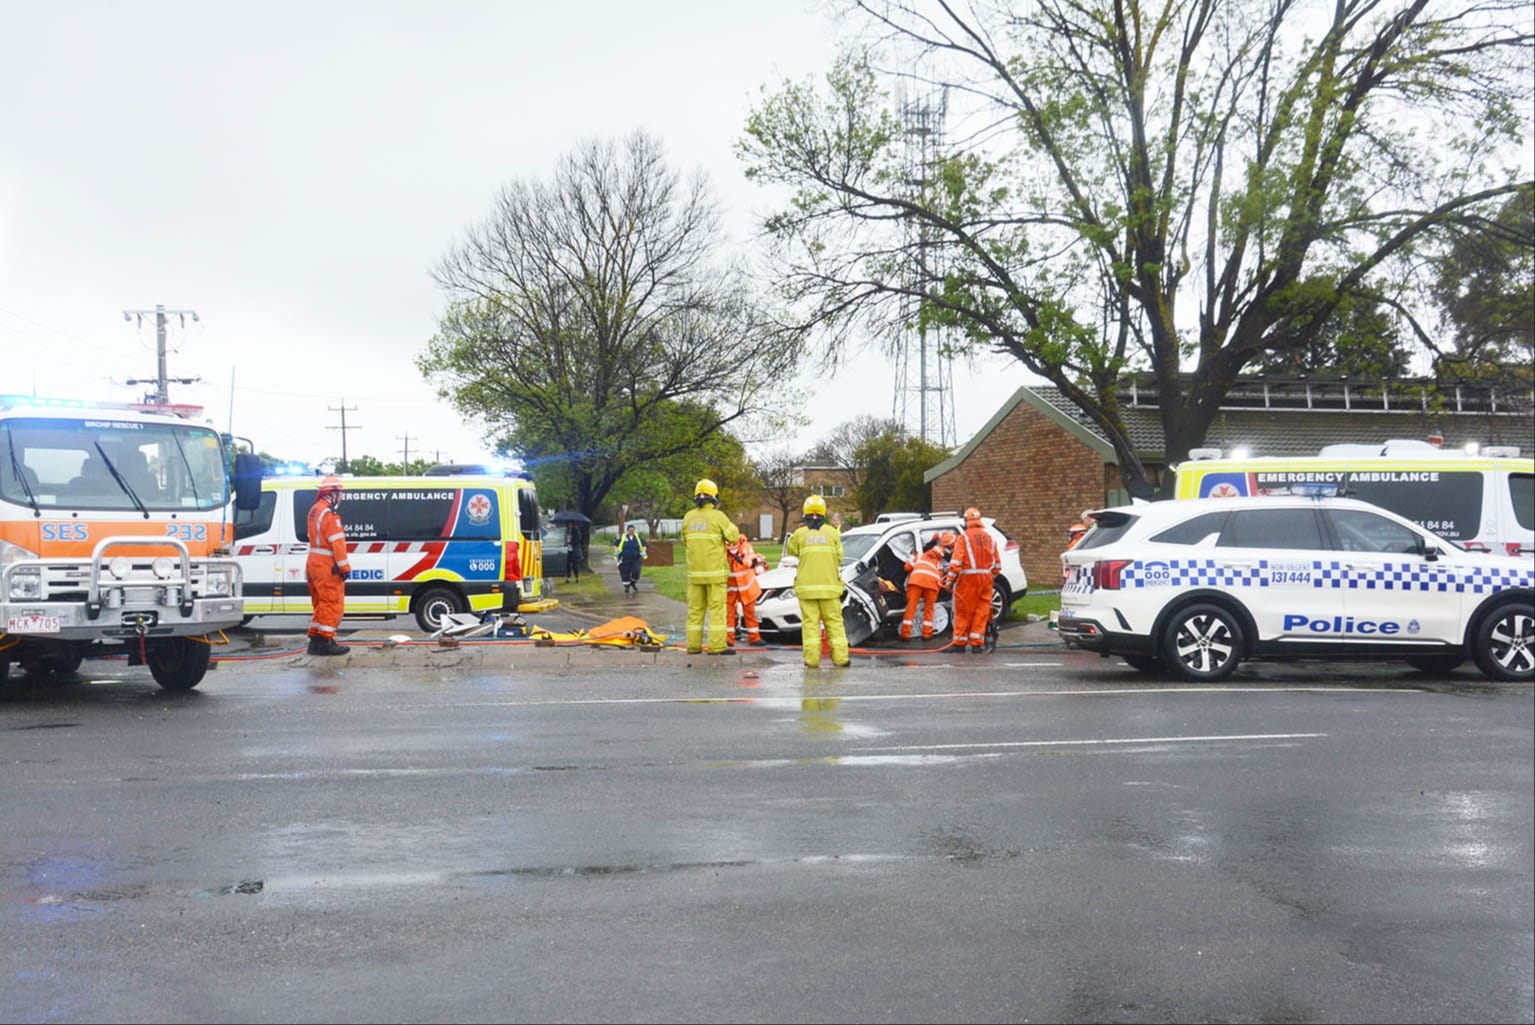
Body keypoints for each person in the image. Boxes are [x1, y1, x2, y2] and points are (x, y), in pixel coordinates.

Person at [785, 494, 849, 668]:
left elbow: (791, 550)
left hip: (807, 590)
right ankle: (841, 659)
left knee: (810, 626)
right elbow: (839, 557)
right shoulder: (832, 533)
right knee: (834, 624)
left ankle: (812, 661)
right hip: (830, 588)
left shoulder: (800, 534)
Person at [681, 478, 739, 654]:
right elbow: (734, 537)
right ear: (714, 498)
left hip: (695, 574)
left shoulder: (688, 517)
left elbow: (684, 541)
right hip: (715, 574)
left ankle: (693, 646)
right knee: (717, 610)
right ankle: (716, 646)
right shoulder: (718, 517)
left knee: (695, 611)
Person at [305, 475, 352, 656]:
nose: (341, 497)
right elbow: (337, 543)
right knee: (332, 602)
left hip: (313, 561)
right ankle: (325, 641)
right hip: (326, 563)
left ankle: (316, 639)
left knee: (320, 602)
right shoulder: (330, 515)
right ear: (332, 493)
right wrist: (344, 567)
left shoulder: (314, 510)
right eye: (340, 493)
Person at [945, 506, 1000, 654]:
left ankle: (959, 643)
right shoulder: (990, 538)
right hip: (986, 579)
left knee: (963, 611)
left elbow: (956, 562)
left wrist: (949, 581)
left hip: (968, 579)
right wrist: (988, 576)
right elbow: (997, 565)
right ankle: (977, 644)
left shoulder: (964, 538)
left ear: (966, 521)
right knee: (981, 612)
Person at [899, 532, 952, 641]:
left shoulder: (919, 557)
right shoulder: (939, 564)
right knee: (929, 609)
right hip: (931, 586)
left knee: (911, 608)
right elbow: (941, 578)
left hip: (916, 583)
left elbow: (906, 568)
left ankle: (905, 634)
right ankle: (927, 634)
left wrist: (912, 558)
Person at [724, 531, 768, 647]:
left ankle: (754, 638)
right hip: (731, 589)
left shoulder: (746, 548)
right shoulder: (722, 551)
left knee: (750, 613)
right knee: (729, 614)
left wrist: (742, 561)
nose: (732, 548)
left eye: (734, 545)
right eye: (729, 545)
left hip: (747, 587)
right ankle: (728, 639)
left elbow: (750, 560)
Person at [612, 524, 648, 594]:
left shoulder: (638, 537)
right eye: (630, 530)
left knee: (636, 571)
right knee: (625, 573)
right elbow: (615, 544)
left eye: (633, 530)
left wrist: (643, 551)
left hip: (636, 558)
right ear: (627, 531)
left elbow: (644, 545)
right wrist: (616, 551)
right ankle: (627, 587)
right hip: (625, 558)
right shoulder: (623, 537)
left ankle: (633, 583)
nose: (631, 531)